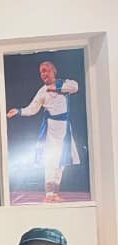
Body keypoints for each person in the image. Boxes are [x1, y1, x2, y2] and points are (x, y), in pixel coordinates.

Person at [7, 60, 82, 202]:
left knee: (61, 162)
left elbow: (75, 87)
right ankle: (49, 194)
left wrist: (56, 88)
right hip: (50, 130)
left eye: (46, 70)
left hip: (64, 130)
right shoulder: (42, 91)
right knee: (50, 161)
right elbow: (32, 108)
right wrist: (19, 111)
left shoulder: (65, 84)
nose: (43, 74)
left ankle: (55, 193)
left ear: (54, 71)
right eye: (41, 72)